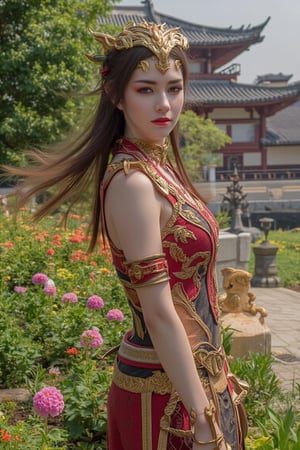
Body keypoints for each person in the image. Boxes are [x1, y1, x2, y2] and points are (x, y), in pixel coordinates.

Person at [3, 21, 248, 450]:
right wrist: (204, 421)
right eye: (146, 89)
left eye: (174, 88)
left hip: (197, 378)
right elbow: (157, 312)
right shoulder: (133, 182)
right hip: (167, 396)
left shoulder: (161, 168)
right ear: (117, 96)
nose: (164, 104)